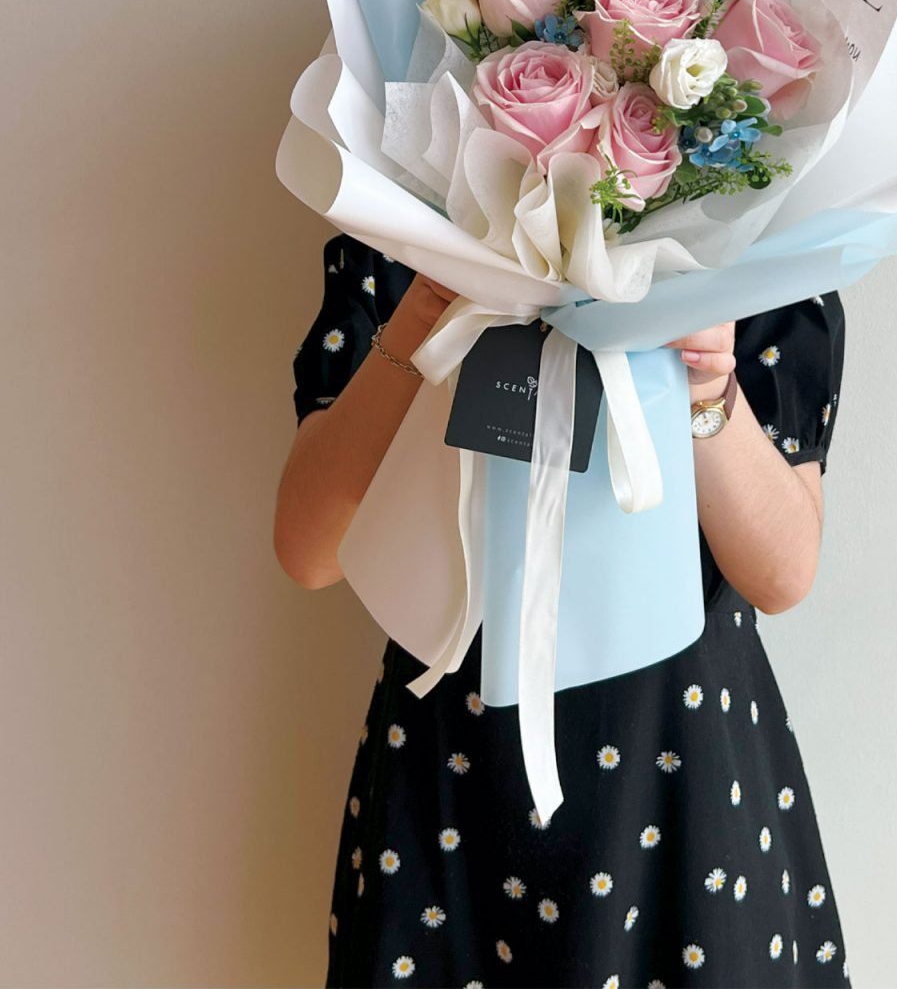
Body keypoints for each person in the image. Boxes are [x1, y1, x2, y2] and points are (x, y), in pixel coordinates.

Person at [276, 235, 853, 988]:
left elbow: (782, 573)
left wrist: (708, 386)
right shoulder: (403, 227)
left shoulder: (755, 238)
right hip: (454, 769)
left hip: (680, 774)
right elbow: (310, 551)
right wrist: (422, 317)